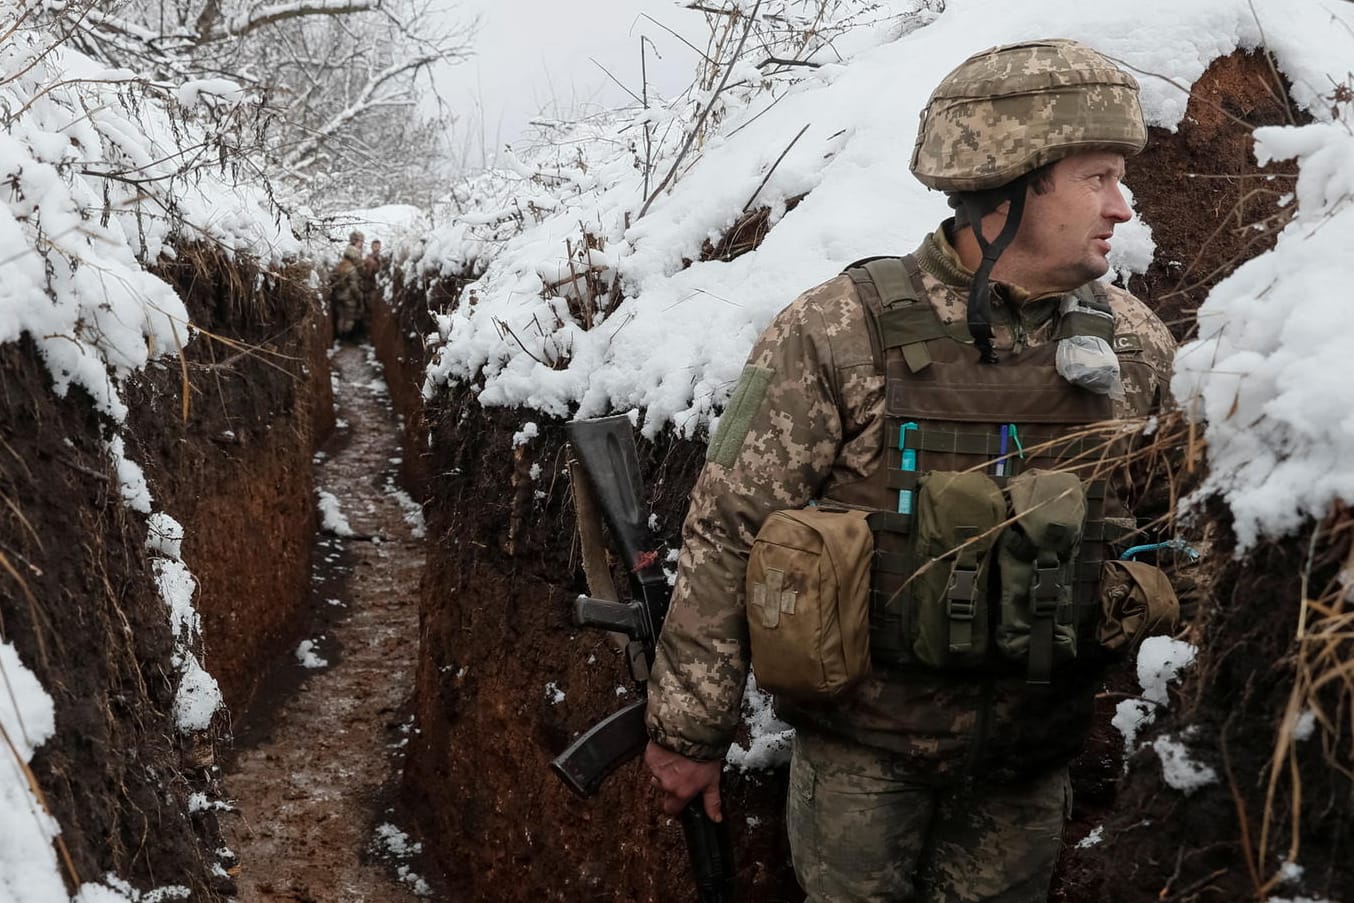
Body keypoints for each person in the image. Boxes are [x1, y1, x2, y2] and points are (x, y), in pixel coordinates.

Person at [643, 38, 1179, 903]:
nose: (1122, 206)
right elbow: (728, 531)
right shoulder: (837, 332)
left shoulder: (1136, 346)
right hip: (864, 762)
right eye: (1098, 177)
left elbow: (1167, 531)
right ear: (1010, 180)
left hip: (1028, 766)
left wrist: (1134, 590)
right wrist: (689, 728)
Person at [330, 230, 365, 340]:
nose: (362, 244)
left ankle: (339, 338)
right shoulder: (351, 268)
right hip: (349, 297)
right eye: (360, 241)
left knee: (341, 317)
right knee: (349, 318)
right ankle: (346, 339)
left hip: (339, 295)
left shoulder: (340, 265)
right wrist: (359, 297)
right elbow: (354, 286)